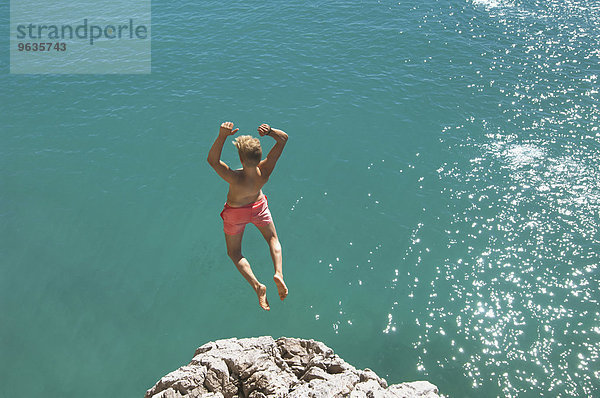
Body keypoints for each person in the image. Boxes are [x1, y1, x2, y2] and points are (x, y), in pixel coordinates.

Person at [207, 121, 289, 311]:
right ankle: (278, 273)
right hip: (259, 207)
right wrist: (270, 132)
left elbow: (212, 161)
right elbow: (283, 139)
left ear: (242, 160)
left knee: (235, 253)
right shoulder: (265, 170)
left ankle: (258, 286)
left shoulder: (234, 177)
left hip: (236, 213)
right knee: (272, 239)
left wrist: (221, 136)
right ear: (259, 155)